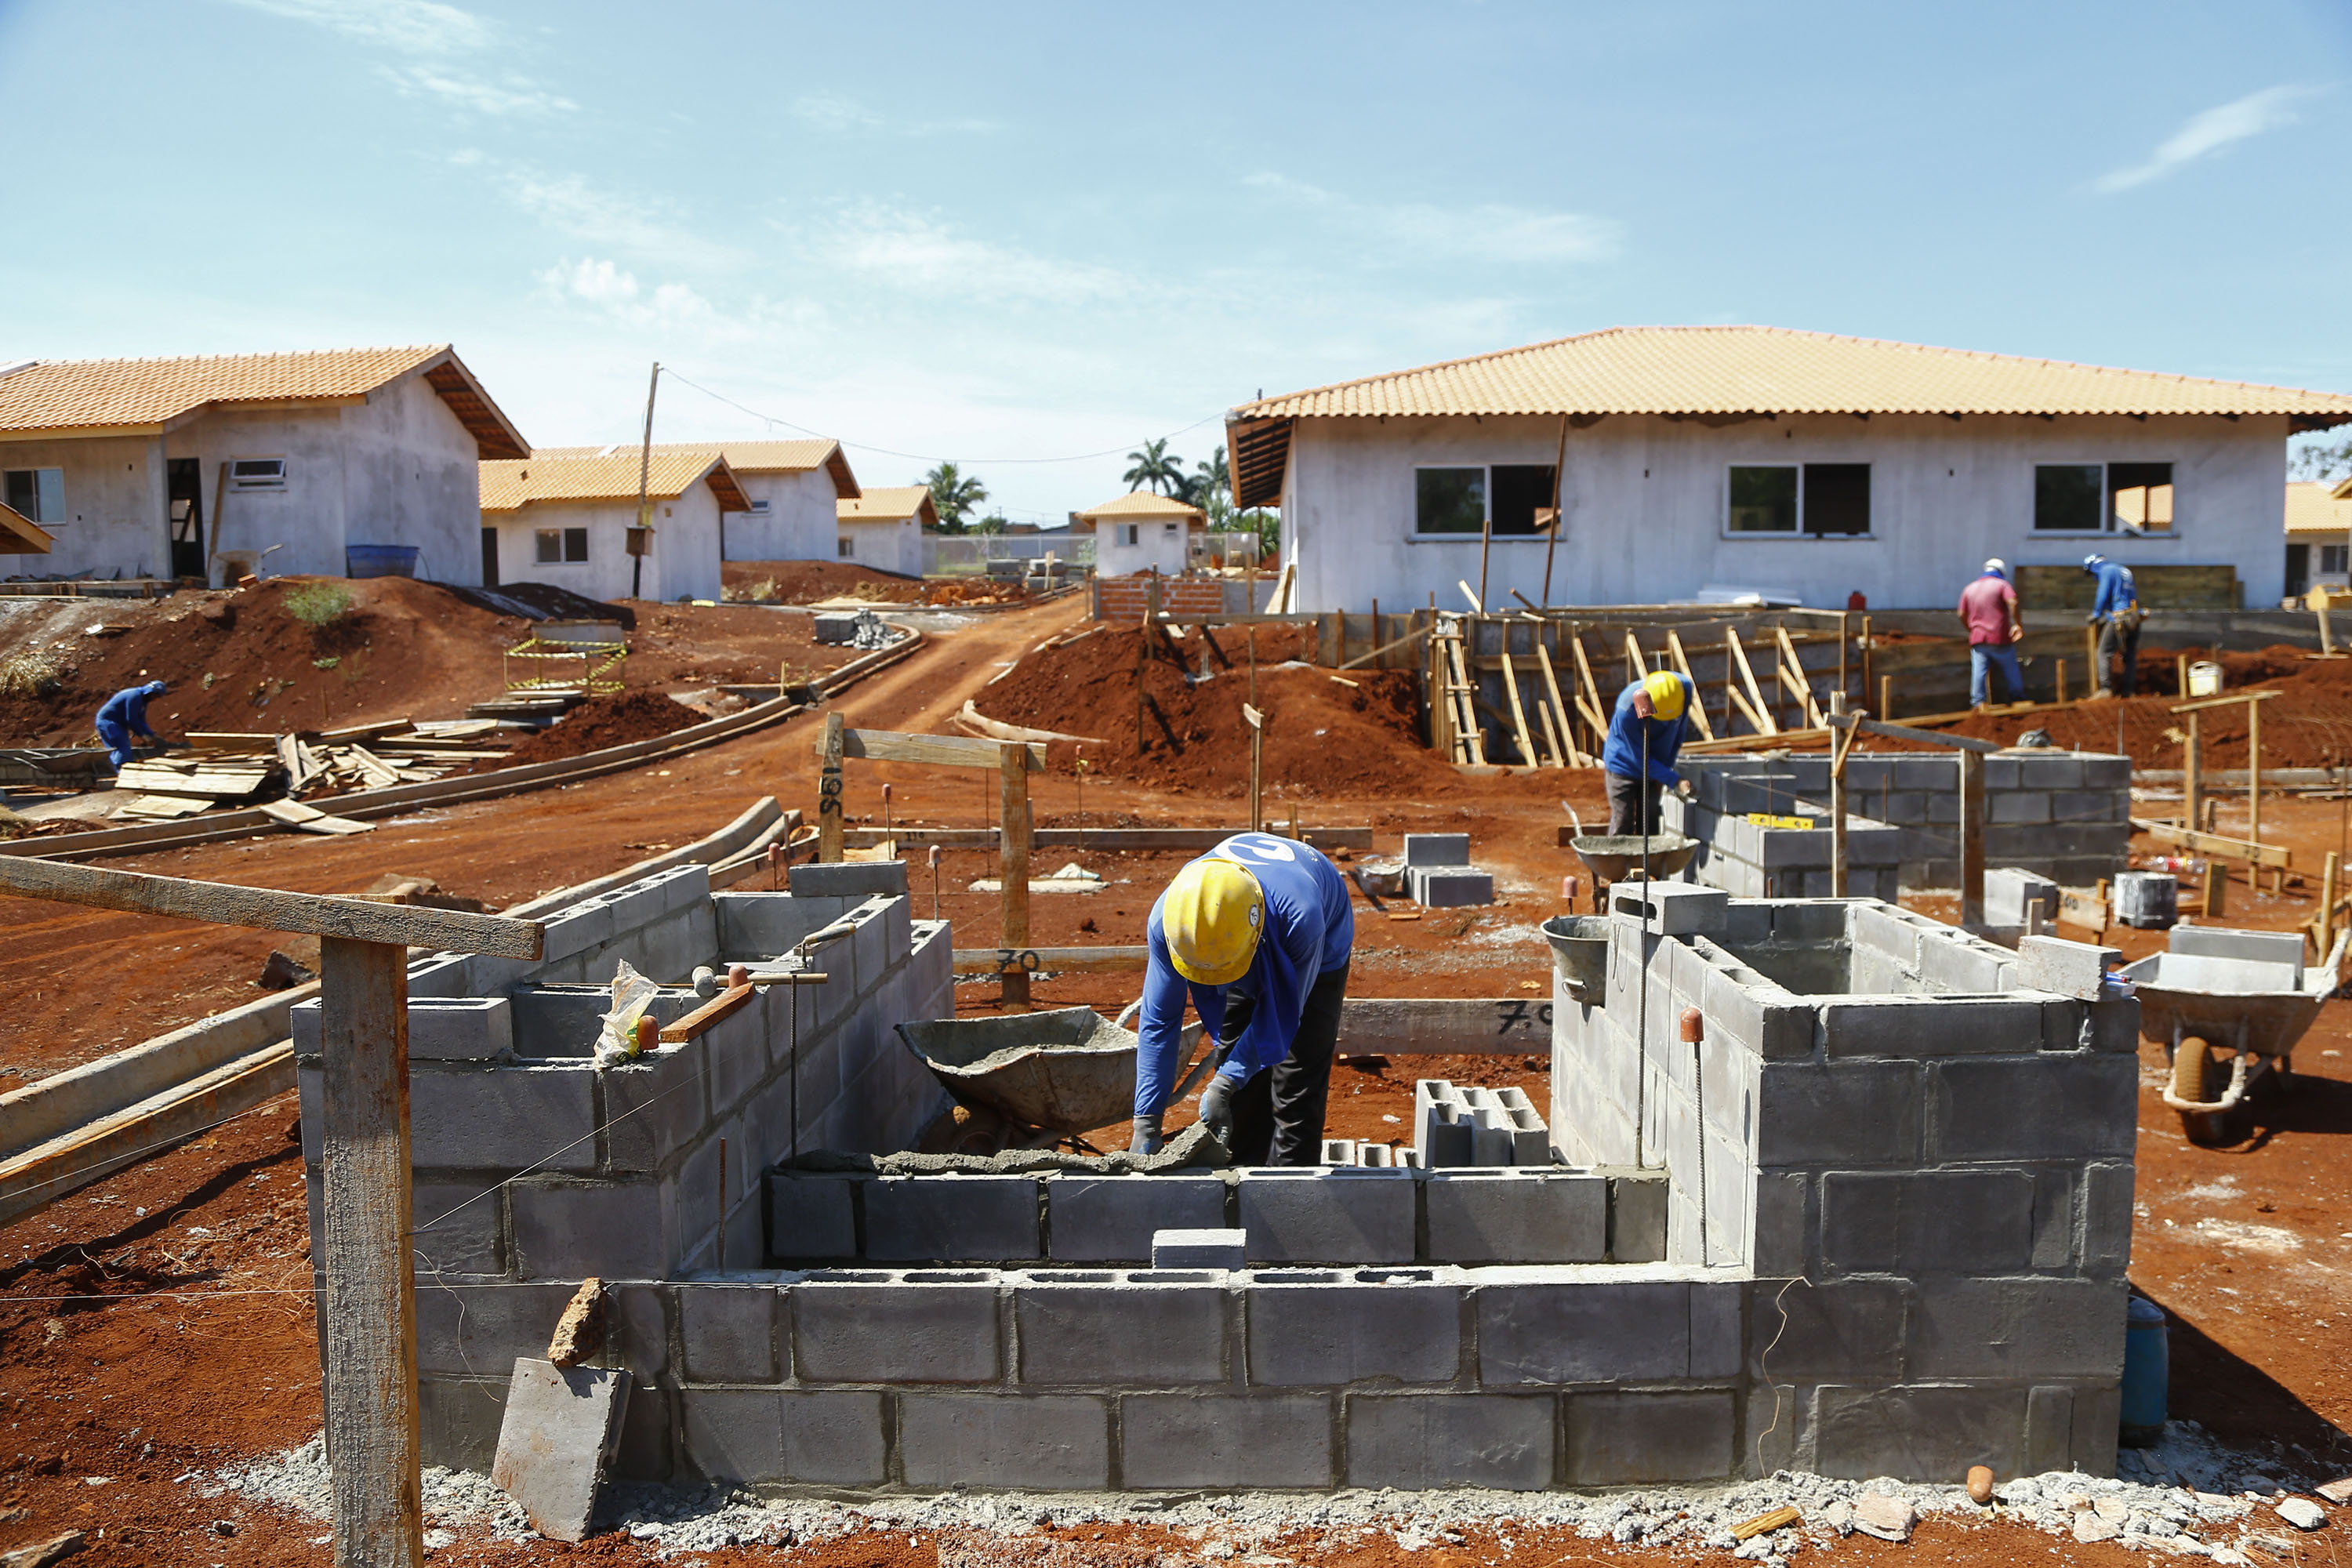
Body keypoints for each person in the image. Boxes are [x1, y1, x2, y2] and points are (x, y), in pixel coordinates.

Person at [1129, 831, 1353, 1165]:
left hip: (1317, 941)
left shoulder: (1302, 920)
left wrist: (1224, 1082)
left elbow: (1282, 1015)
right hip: (1231, 938)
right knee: (1238, 1085)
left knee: (1296, 1085)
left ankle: (1291, 1196)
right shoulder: (1171, 921)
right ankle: (1240, 1184)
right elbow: (1161, 1021)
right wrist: (1146, 1120)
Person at [1600, 670, 1697, 837]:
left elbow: (1678, 733)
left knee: (1651, 820)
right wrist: (1674, 780)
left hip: (1656, 767)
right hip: (1624, 764)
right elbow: (1639, 758)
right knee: (1623, 820)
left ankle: (1650, 862)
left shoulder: (1683, 689)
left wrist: (1667, 767)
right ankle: (1620, 861)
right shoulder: (1628, 709)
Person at [1958, 558, 2024, 709]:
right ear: (2001, 572)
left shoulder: (1970, 588)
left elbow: (1961, 613)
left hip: (1978, 638)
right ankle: (2017, 696)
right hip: (2000, 637)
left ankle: (1977, 703)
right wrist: (2018, 625)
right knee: (2010, 667)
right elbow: (2013, 602)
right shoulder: (2002, 585)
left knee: (1979, 670)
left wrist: (1971, 628)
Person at [2084, 554, 2143, 698]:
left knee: (2103, 652)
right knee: (2130, 654)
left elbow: (2103, 594)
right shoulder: (2122, 570)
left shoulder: (2107, 570)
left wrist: (2096, 614)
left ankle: (2105, 689)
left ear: (2094, 566)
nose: (2093, 577)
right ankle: (2129, 690)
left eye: (2091, 573)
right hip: (2134, 616)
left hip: (2119, 617)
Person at [94, 681, 173, 768]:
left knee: (125, 748)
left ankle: (120, 770)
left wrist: (152, 735)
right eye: (155, 696)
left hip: (119, 724)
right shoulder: (135, 696)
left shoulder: (143, 702)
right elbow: (132, 720)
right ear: (150, 692)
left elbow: (141, 721)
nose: (155, 699)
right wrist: (143, 736)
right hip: (108, 722)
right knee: (121, 748)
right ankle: (119, 773)